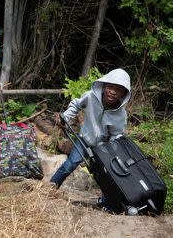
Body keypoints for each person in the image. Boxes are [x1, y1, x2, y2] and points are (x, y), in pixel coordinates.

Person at [50, 68, 131, 214]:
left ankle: (106, 201)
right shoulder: (91, 97)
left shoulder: (120, 114)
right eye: (110, 87)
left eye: (118, 90)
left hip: (104, 148)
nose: (113, 92)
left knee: (106, 175)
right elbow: (76, 104)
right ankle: (49, 188)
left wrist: (112, 150)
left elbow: (117, 135)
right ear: (104, 86)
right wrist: (65, 117)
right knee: (70, 164)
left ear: (124, 94)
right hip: (85, 139)